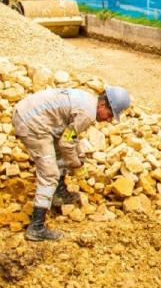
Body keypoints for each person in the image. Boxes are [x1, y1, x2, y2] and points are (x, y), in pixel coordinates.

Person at [12, 85, 131, 241]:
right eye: (109, 114)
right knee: (49, 174)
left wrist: (77, 155)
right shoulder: (87, 114)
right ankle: (36, 227)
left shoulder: (89, 101)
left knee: (61, 153)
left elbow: (68, 137)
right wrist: (76, 165)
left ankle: (57, 193)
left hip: (30, 114)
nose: (109, 120)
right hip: (31, 123)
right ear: (103, 105)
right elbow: (66, 144)